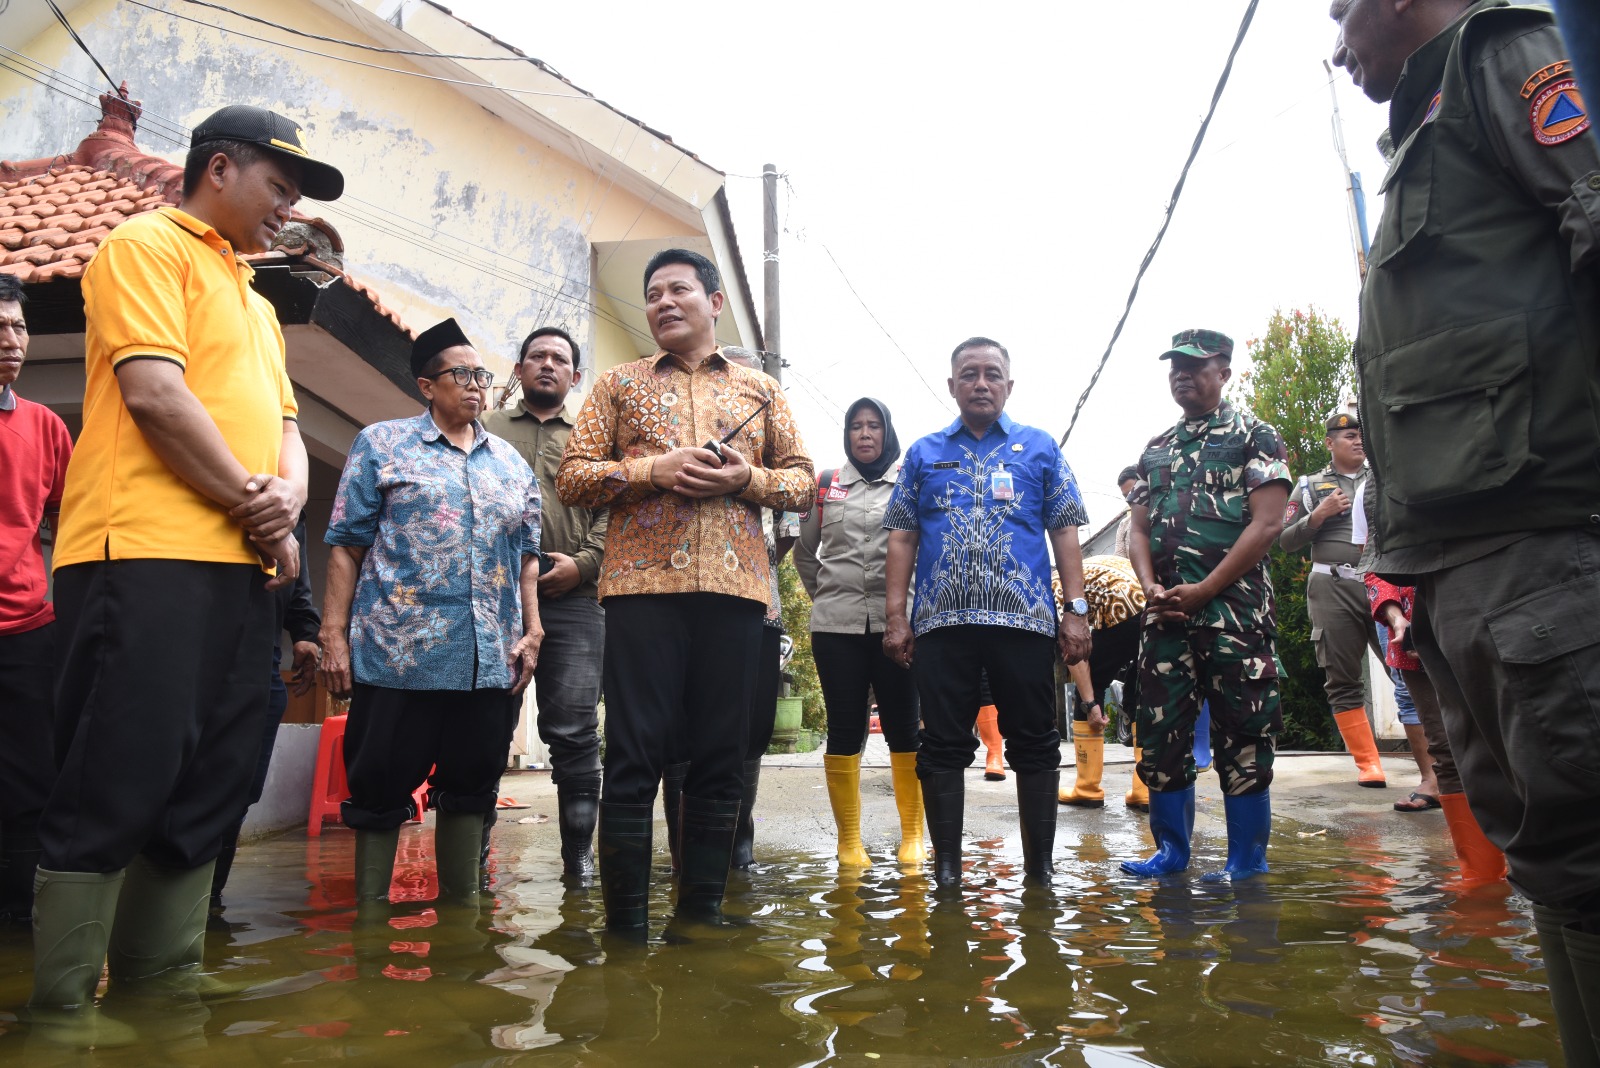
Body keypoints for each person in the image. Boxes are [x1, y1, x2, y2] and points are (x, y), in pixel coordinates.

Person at [1332, 1, 1600, 1055]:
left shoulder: (1504, 55)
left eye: (1342, 9)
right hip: (1457, 559)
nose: (1337, 42)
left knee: (1588, 842)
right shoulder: (1423, 124)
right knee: (1548, 851)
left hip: (1541, 536)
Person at [31, 105, 341, 1012]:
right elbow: (156, 396)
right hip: (141, 554)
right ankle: (60, 1015)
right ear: (219, 170)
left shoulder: (256, 302)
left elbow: (287, 431)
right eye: (279, 187)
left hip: (242, 573)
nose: (288, 209)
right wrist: (260, 509)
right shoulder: (144, 246)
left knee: (212, 783)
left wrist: (287, 505)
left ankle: (158, 1000)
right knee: (114, 773)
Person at [556, 248, 813, 932]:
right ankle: (626, 928)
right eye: (653, 294)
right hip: (639, 590)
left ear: (714, 302)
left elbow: (802, 482)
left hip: (736, 592)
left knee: (721, 757)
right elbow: (573, 477)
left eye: (679, 290)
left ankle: (700, 917)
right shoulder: (617, 384)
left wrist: (744, 479)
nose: (664, 303)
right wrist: (654, 469)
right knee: (633, 752)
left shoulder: (761, 389)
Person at [319, 318, 542, 908]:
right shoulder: (381, 445)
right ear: (426, 385)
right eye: (462, 375)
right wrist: (333, 634)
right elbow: (345, 544)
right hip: (399, 657)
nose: (476, 386)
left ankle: (461, 923)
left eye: (482, 376)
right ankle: (370, 923)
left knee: (472, 788)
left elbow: (527, 557)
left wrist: (534, 631)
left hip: (486, 662)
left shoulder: (511, 465)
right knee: (378, 789)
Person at [882, 336, 1091, 890]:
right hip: (941, 625)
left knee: (1035, 741)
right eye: (969, 374)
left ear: (1009, 385)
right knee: (941, 745)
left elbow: (1064, 529)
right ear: (952, 385)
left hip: (1024, 622)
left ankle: (1039, 870)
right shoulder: (923, 453)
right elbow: (902, 537)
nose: (981, 383)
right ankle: (948, 871)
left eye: (992, 373)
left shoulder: (1040, 448)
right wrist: (897, 616)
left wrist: (1075, 610)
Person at [1121, 329, 1290, 883]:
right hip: (1165, 621)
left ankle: (1246, 860)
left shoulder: (1256, 437)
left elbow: (1268, 523)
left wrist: (1206, 589)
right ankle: (1172, 852)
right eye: (1176, 366)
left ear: (1224, 372)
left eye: (1195, 366)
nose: (1182, 374)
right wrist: (1149, 587)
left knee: (1245, 734)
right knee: (1160, 733)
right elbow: (1138, 529)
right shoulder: (1156, 448)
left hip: (1234, 619)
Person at [482, 325, 607, 886]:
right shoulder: (484, 428)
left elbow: (613, 512)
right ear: (519, 369)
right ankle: (473, 853)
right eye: (537, 356)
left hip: (573, 601)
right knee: (486, 727)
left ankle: (578, 858)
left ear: (575, 376)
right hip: (493, 602)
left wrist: (583, 564)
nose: (548, 364)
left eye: (560, 358)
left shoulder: (593, 439)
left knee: (575, 732)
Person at [795, 396, 923, 868]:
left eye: (873, 426)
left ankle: (913, 837)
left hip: (899, 627)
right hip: (836, 627)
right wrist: (828, 597)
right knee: (844, 728)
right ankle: (849, 843)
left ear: (887, 432)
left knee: (904, 727)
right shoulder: (826, 485)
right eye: (856, 426)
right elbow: (804, 553)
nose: (864, 434)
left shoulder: (910, 484)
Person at [0, 274, 71, 925]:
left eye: (18, 327)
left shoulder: (45, 427)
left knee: (29, 781)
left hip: (26, 630)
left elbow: (69, 525)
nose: (12, 340)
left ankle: (22, 930)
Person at [210, 514, 321, 913]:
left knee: (240, 790)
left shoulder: (290, 502)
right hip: (198, 641)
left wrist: (305, 632)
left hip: (263, 656)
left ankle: (207, 903)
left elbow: (295, 569)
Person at [1365, 573, 1505, 883]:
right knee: (1445, 753)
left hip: (1482, 625)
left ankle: (1530, 869)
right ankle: (1480, 880)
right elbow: (1376, 567)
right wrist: (1397, 618)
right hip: (1411, 637)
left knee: (1501, 744)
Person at [1277, 406, 1388, 788]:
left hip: (1384, 582)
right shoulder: (1310, 486)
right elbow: (1285, 539)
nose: (1358, 441)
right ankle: (1369, 764)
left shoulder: (1384, 478)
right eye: (1350, 436)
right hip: (1333, 587)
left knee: (1409, 670)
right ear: (1329, 443)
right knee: (1342, 677)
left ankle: (1439, 764)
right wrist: (1318, 516)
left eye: (1361, 436)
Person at [1056, 555, 1145, 809]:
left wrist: (1090, 702)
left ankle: (1087, 788)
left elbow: (1073, 649)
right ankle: (1145, 790)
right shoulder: (1078, 571)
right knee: (1141, 690)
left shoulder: (1052, 592)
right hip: (1151, 601)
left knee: (1088, 686)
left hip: (1123, 605)